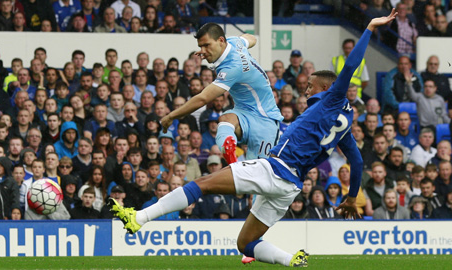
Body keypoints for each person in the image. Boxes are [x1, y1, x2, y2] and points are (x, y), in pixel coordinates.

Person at [109, 12, 396, 267]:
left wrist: (369, 28)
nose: (306, 91)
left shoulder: (333, 98)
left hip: (274, 169)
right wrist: (350, 196)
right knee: (244, 244)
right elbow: (356, 161)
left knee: (202, 184)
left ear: (327, 87)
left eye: (310, 86)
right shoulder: (345, 125)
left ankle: (139, 218)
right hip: (290, 187)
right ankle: (292, 260)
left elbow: (349, 68)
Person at [161, 23, 283, 164]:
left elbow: (202, 98)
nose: (203, 51)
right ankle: (232, 161)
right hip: (244, 112)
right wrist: (240, 41)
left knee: (259, 176)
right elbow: (251, 38)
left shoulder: (232, 67)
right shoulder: (234, 42)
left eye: (207, 45)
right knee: (225, 119)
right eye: (201, 46)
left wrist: (171, 116)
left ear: (220, 41)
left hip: (265, 121)